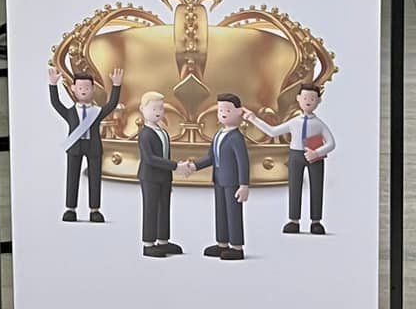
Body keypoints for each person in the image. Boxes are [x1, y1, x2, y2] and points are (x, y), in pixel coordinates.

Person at [244, 83, 335, 235]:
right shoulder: (294, 122)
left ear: (319, 101)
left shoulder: (319, 124)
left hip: (315, 157)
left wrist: (317, 152)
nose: (308, 101)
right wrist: (254, 119)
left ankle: (316, 221)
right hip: (295, 156)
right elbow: (272, 132)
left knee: (316, 187)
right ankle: (294, 220)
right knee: (294, 187)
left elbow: (331, 143)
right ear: (298, 98)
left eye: (312, 98)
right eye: (305, 98)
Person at [177, 92, 251, 260]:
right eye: (220, 110)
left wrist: (244, 185)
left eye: (228, 110)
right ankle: (222, 243)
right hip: (218, 179)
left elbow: (243, 162)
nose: (223, 113)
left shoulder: (236, 138)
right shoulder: (218, 135)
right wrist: (194, 166)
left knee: (233, 213)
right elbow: (211, 157)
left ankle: (236, 246)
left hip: (232, 182)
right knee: (221, 212)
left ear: (239, 112)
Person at [49, 62, 123, 224]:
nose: (83, 90)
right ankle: (70, 208)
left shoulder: (97, 112)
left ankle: (94, 209)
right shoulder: (70, 112)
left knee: (95, 179)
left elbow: (111, 105)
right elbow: (56, 104)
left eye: (87, 87)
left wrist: (116, 86)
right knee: (72, 177)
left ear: (93, 89)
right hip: (74, 147)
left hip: (93, 147)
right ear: (73, 89)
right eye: (80, 87)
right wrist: (52, 85)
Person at [136, 90, 182, 258]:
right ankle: (148, 243)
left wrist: (171, 171)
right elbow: (149, 158)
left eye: (161, 108)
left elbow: (165, 154)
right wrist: (176, 166)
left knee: (164, 208)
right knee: (151, 209)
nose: (158, 112)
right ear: (142, 109)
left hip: (164, 177)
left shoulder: (162, 131)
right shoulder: (145, 134)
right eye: (154, 108)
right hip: (150, 177)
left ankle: (163, 240)